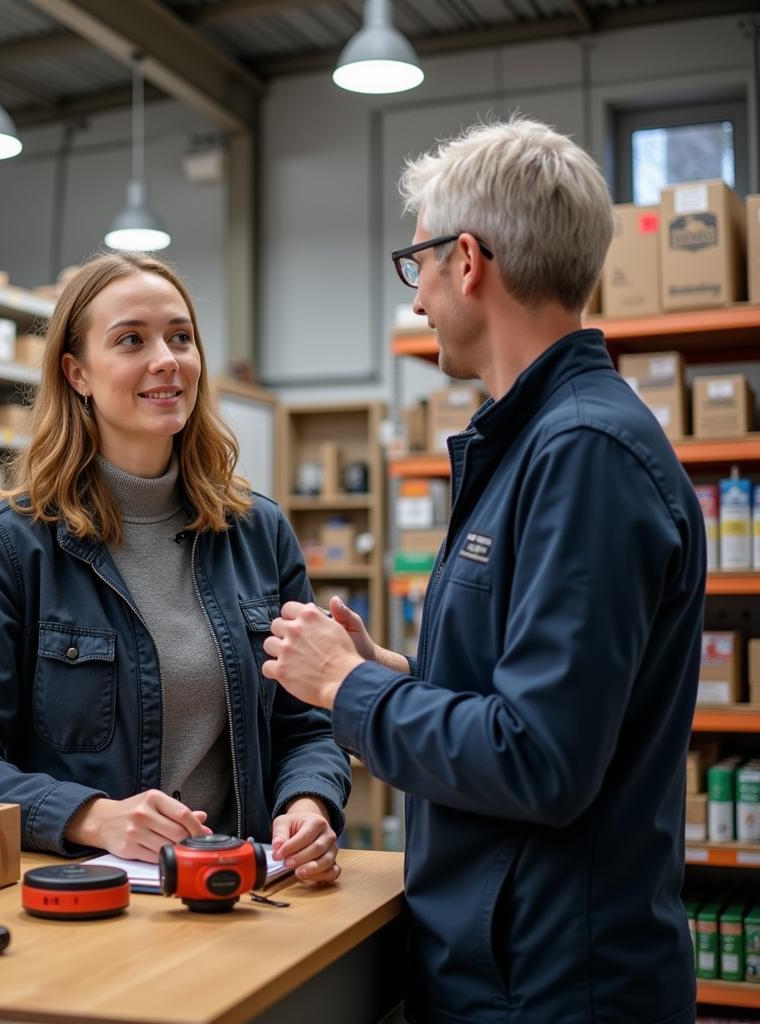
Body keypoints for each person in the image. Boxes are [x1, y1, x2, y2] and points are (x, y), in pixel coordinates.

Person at [261, 118, 706, 1023]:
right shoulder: (535, 442)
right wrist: (388, 671)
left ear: (467, 260)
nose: (416, 299)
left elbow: (541, 759)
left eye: (415, 264)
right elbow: (526, 696)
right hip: (512, 962)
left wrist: (349, 692)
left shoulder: (581, 453)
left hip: (555, 985)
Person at [0, 252, 349, 883]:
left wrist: (308, 803)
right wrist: (91, 817)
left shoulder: (258, 533)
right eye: (130, 340)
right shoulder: (12, 547)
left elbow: (308, 723)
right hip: (87, 901)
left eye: (181, 337)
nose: (167, 359)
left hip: (244, 890)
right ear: (78, 373)